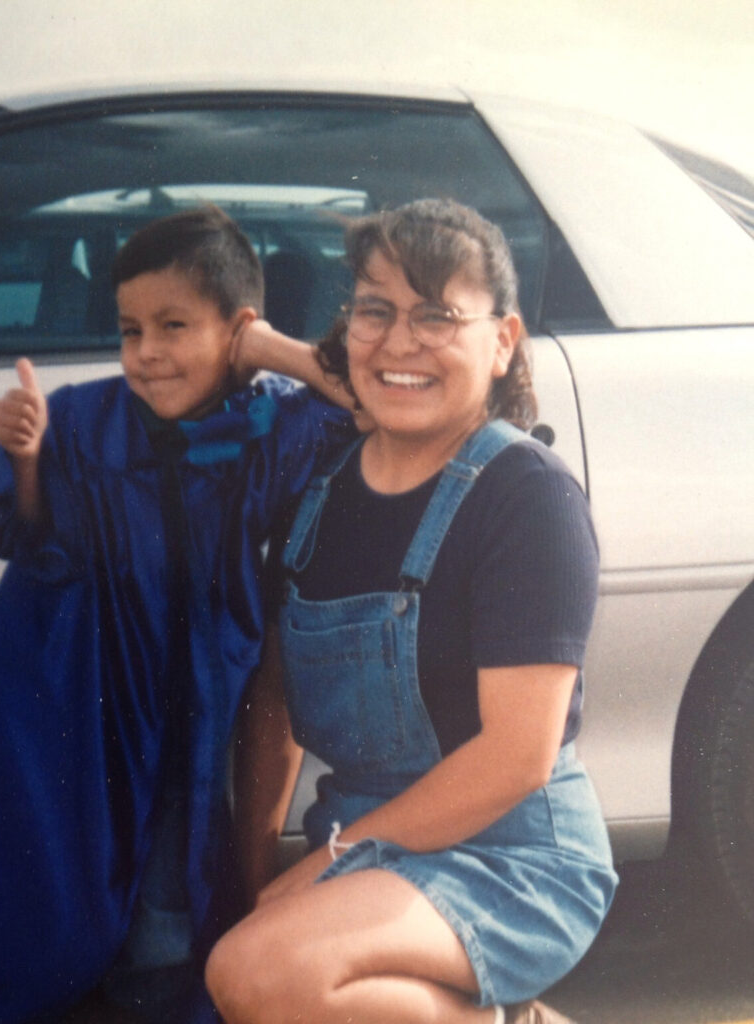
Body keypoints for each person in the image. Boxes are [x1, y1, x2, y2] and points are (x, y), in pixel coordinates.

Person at [0, 206, 357, 1024]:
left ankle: (146, 983)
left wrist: (268, 348)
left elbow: (361, 404)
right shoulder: (83, 420)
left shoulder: (262, 425)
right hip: (65, 680)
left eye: (174, 326)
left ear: (235, 331)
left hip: (183, 682)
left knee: (166, 848)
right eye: (129, 331)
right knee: (45, 861)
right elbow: (35, 537)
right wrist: (24, 460)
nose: (146, 354)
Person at [206, 199, 618, 1024]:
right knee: (259, 957)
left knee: (256, 975)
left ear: (501, 341)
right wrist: (255, 875)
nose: (399, 342)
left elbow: (516, 759)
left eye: (437, 316)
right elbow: (277, 709)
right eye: (376, 311)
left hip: (514, 856)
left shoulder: (526, 497)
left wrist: (328, 862)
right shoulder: (318, 493)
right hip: (372, 839)